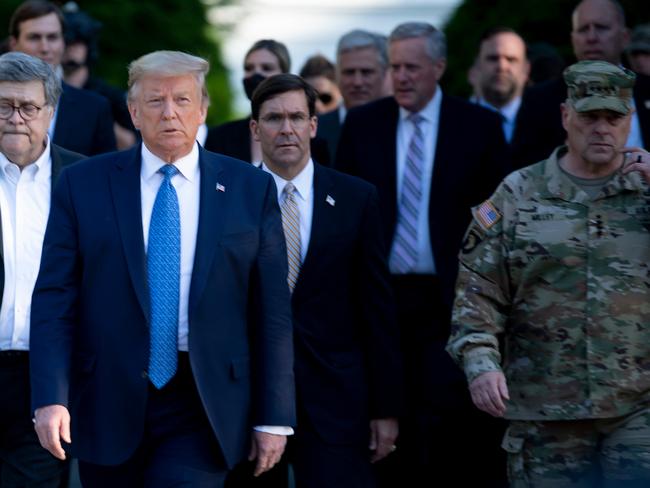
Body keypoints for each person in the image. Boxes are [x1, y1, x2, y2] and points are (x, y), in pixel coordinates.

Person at [29, 50, 296, 487]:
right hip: (106, 398)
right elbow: (55, 297)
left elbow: (272, 311)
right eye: (155, 101)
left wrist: (275, 416)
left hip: (205, 401)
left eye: (182, 100)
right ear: (133, 111)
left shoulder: (250, 188)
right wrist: (50, 398)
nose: (169, 113)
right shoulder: (83, 183)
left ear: (203, 109)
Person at [448, 60, 650, 487]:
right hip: (546, 417)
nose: (601, 128)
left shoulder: (646, 191)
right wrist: (481, 363)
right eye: (589, 116)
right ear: (565, 116)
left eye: (613, 117)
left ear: (629, 119)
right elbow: (477, 292)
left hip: (639, 409)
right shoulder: (517, 194)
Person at [336, 21, 510, 488]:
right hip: (383, 301)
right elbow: (346, 219)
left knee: (452, 431)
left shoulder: (479, 127)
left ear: (438, 67)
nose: (402, 77)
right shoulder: (364, 124)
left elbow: (499, 222)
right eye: (395, 67)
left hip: (452, 302)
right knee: (389, 432)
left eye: (413, 67)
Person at [249, 73, 400, 487]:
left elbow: (376, 308)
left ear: (314, 126)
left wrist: (385, 408)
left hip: (337, 401)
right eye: (274, 118)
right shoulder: (229, 198)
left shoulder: (356, 198)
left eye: (297, 117)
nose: (287, 129)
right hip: (251, 404)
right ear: (255, 128)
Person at [0, 50, 83, 488]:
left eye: (28, 107)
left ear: (49, 112)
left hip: (49, 380)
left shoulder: (86, 179)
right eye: (3, 105)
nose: (16, 117)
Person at [512, 0, 650, 169]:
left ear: (625, 37)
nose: (591, 37)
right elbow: (523, 166)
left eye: (601, 27)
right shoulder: (539, 100)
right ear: (573, 39)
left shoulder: (646, 89)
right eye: (583, 29)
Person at [8, 0, 117, 156]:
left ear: (63, 43)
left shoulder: (95, 109)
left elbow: (106, 174)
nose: (45, 48)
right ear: (14, 44)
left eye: (52, 37)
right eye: (34, 38)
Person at [205, 39, 329, 165]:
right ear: (255, 129)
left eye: (266, 68)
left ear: (284, 74)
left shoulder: (315, 142)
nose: (256, 74)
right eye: (249, 68)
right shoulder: (220, 137)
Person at [61, 5, 138, 150]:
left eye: (79, 41)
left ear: (89, 46)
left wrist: (96, 113)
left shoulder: (109, 97)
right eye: (67, 41)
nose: (71, 48)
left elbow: (131, 146)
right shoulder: (46, 93)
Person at [318, 29, 391, 162]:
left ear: (384, 73)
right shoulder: (314, 131)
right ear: (337, 74)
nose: (357, 82)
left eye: (366, 72)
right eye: (349, 72)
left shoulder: (400, 130)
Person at [471, 27, 530, 143]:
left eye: (511, 59)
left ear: (526, 70)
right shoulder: (453, 123)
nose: (502, 67)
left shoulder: (549, 124)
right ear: (477, 66)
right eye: (493, 58)